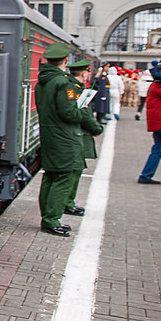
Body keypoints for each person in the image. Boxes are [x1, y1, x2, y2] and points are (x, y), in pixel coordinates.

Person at [36, 43, 103, 236]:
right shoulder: (64, 83)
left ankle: (48, 217)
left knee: (50, 175)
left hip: (50, 133)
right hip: (65, 136)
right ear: (66, 61)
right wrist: (83, 108)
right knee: (64, 176)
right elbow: (69, 113)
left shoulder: (44, 80)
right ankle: (51, 220)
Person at [64, 58, 104, 216]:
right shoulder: (77, 90)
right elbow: (85, 115)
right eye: (87, 71)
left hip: (78, 133)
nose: (88, 74)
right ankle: (67, 203)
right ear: (82, 73)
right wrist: (97, 129)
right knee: (74, 170)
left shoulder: (77, 87)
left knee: (75, 170)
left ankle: (69, 202)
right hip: (78, 134)